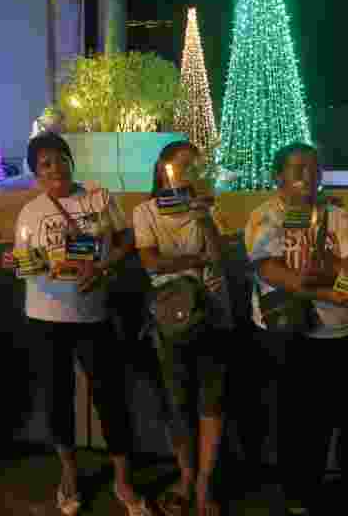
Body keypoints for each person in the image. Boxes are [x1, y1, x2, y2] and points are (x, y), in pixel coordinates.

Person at [5, 133, 153, 516]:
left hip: (94, 315)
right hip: (44, 316)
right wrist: (16, 263)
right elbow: (27, 262)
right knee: (56, 399)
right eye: (45, 164)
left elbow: (127, 241)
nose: (55, 168)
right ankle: (69, 473)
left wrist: (103, 266)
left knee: (110, 397)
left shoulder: (98, 200)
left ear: (72, 161)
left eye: (60, 159)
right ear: (36, 172)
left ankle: (122, 477)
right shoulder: (30, 212)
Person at [243, 142, 348, 515]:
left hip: (336, 332)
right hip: (284, 332)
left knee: (334, 415)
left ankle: (329, 488)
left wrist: (333, 268)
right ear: (278, 175)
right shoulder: (264, 217)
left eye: (315, 168)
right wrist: (329, 290)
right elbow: (269, 269)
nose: (308, 176)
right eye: (298, 168)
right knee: (291, 418)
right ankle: (296, 494)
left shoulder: (336, 216)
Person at [133, 141, 227, 516]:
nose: (188, 172)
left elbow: (220, 257)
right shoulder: (146, 211)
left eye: (195, 166)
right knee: (177, 401)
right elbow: (152, 263)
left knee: (212, 400)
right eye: (181, 165)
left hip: (215, 311)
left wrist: (204, 219)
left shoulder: (207, 207)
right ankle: (186, 476)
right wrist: (196, 259)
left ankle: (204, 482)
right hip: (170, 318)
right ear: (162, 169)